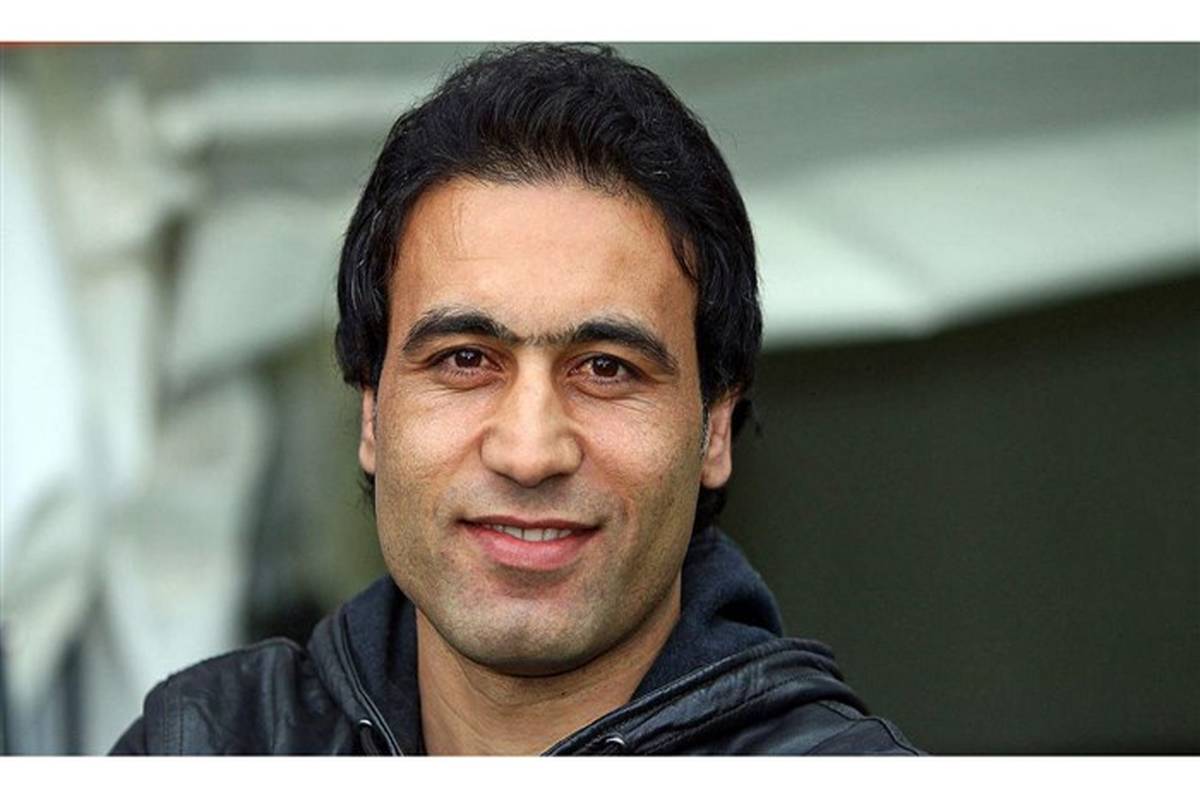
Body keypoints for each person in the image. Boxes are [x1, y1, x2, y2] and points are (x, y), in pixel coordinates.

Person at [111, 43, 919, 756]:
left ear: (714, 429)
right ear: (371, 412)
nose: (530, 452)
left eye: (605, 368)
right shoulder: (199, 746)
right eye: (466, 359)